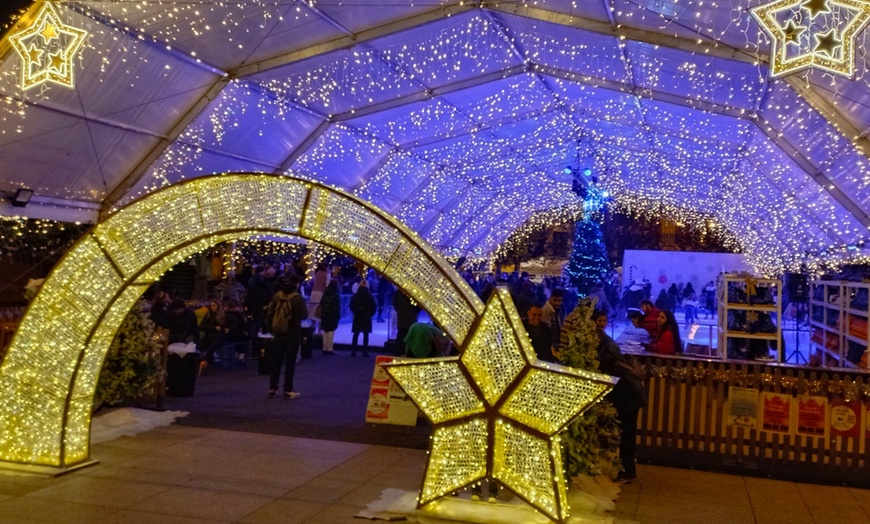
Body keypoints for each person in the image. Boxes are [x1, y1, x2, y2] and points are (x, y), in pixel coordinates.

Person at [592, 310, 643, 484]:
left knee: (627, 434)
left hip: (628, 397)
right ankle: (626, 470)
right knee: (626, 434)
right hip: (629, 395)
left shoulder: (606, 351)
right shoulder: (609, 345)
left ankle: (627, 471)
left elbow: (606, 366)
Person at [264, 276, 308, 398]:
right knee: (290, 362)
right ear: (296, 285)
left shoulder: (277, 296)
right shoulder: (298, 298)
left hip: (279, 333)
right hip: (293, 332)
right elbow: (304, 315)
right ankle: (288, 389)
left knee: (277, 361)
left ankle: (273, 388)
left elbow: (270, 313)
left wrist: (272, 328)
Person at [198, 299, 233, 364]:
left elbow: (235, 321)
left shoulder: (224, 315)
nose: (212, 307)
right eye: (211, 306)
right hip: (209, 336)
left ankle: (207, 363)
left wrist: (229, 329)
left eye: (214, 305)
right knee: (199, 346)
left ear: (218, 306)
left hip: (219, 336)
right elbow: (201, 327)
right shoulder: (208, 315)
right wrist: (214, 327)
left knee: (211, 347)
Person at [349, 279, 377, 357]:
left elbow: (351, 305)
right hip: (366, 317)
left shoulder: (355, 295)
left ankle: (353, 351)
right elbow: (374, 306)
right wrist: (370, 314)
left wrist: (355, 312)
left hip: (357, 316)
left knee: (356, 334)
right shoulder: (369, 296)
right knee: (366, 334)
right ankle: (365, 351)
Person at [393, 289, 421, 357]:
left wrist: (399, 310)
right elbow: (419, 305)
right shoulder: (414, 292)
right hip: (411, 316)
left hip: (401, 315)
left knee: (400, 334)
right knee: (410, 335)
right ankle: (409, 352)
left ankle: (398, 352)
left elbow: (395, 303)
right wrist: (415, 312)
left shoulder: (399, 291)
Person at [319, 280, 341, 355]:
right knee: (331, 331)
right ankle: (330, 348)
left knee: (325, 331)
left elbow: (321, 303)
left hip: (324, 314)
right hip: (332, 315)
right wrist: (337, 316)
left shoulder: (325, 293)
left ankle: (324, 348)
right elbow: (336, 307)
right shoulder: (336, 295)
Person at [308, 263, 330, 333]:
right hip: (321, 293)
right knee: (320, 311)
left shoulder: (317, 273)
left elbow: (313, 282)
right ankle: (319, 330)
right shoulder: (327, 274)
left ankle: (312, 328)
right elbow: (327, 284)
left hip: (314, 292)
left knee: (312, 310)